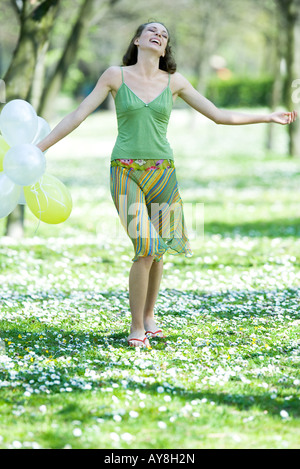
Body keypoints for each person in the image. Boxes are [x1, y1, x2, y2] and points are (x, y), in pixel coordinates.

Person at [36, 21, 297, 348]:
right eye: (152, 31)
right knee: (146, 247)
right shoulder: (115, 76)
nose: (158, 35)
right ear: (138, 40)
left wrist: (267, 117)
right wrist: (39, 148)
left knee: (158, 253)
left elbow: (218, 115)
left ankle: (149, 316)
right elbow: (78, 114)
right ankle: (135, 327)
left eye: (164, 35)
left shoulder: (174, 82)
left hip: (163, 174)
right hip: (125, 172)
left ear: (164, 47)